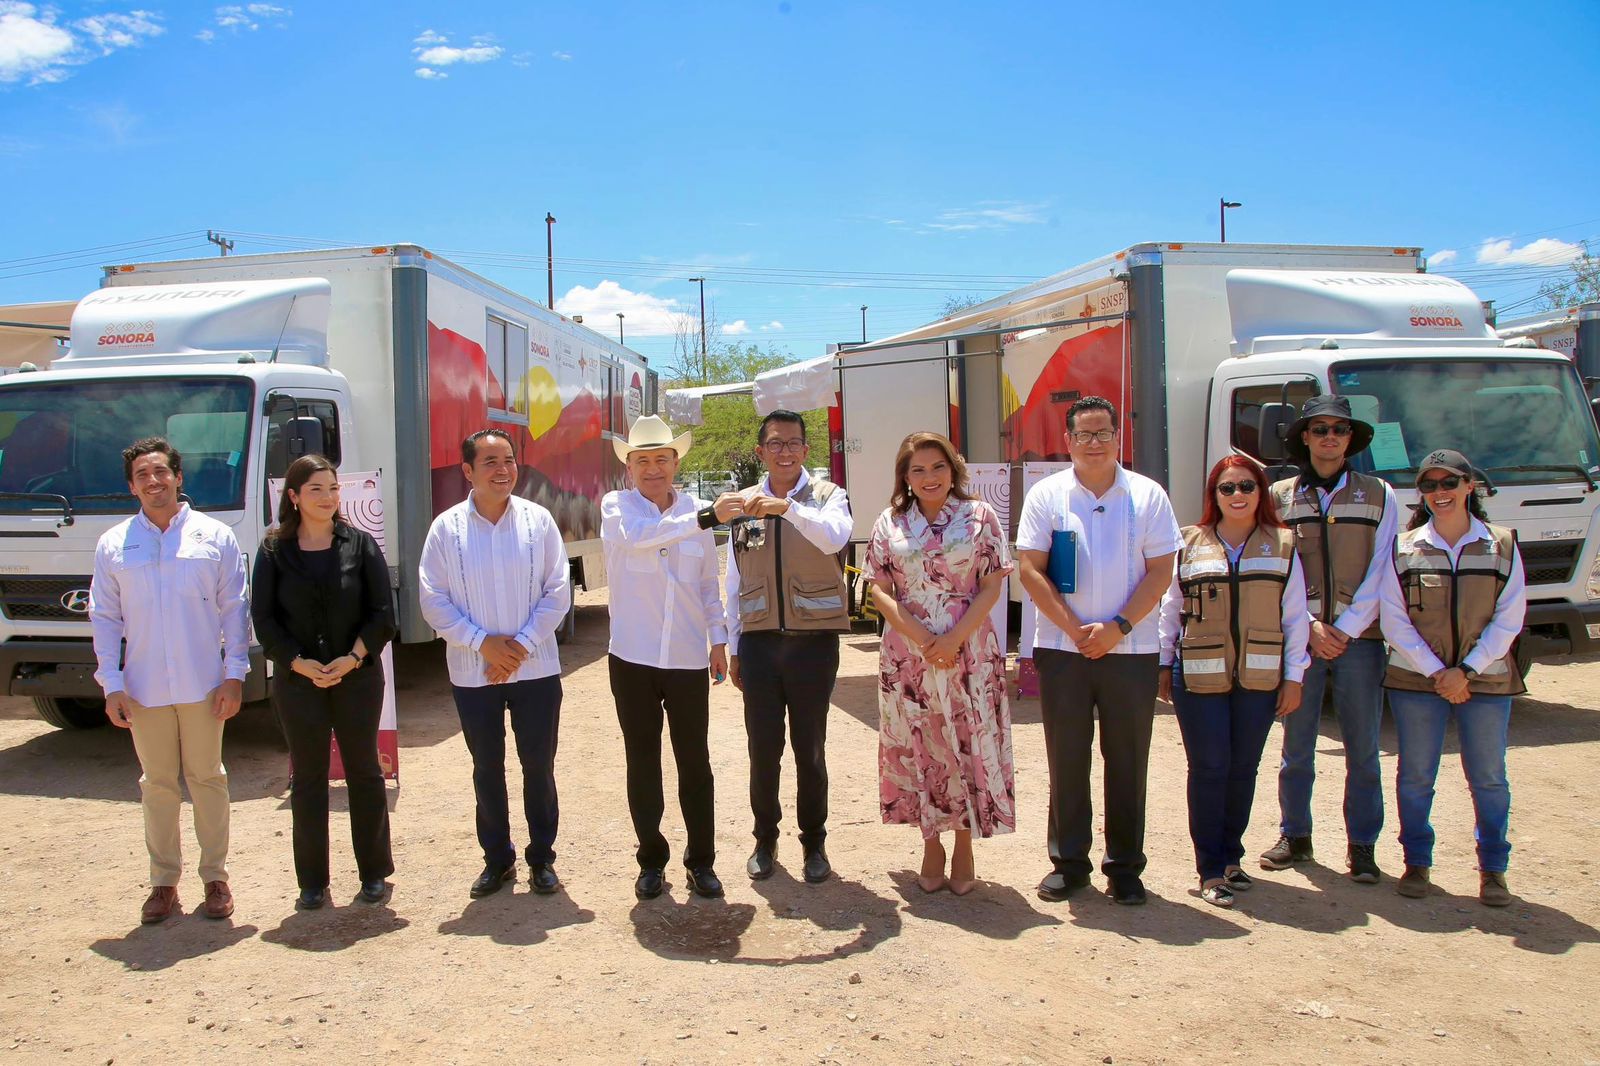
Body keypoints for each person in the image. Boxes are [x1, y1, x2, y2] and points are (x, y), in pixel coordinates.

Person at [1016, 396, 1181, 906]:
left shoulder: (1148, 495)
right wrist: (1075, 630)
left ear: (1118, 437)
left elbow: (1161, 570)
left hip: (1132, 650)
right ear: (1067, 440)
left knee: (1127, 761)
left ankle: (1125, 868)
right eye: (1084, 434)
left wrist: (1118, 627)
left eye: (1103, 432)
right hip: (1062, 649)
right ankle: (1069, 864)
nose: (1094, 442)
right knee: (1067, 759)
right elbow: (1030, 569)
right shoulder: (1047, 495)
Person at [89, 437, 249, 924]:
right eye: (142, 475)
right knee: (157, 784)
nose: (153, 481)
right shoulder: (114, 544)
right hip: (143, 689)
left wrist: (235, 675)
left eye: (161, 471)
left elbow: (235, 610)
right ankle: (163, 884)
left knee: (208, 779)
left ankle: (215, 878)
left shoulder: (214, 536)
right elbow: (104, 618)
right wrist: (111, 683)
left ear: (178, 477)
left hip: (204, 684)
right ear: (131, 486)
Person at [419, 429, 570, 899]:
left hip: (536, 670)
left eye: (508, 460)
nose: (503, 470)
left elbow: (558, 591)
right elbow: (432, 598)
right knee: (486, 768)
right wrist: (482, 644)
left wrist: (519, 646)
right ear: (467, 470)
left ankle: (542, 859)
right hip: (473, 672)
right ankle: (497, 859)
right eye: (490, 462)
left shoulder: (538, 521)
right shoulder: (446, 529)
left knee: (538, 767)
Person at [865, 432, 1014, 895]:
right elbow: (879, 589)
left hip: (969, 649)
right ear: (905, 477)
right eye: (918, 470)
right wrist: (924, 638)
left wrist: (952, 638)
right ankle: (930, 842)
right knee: (920, 744)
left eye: (937, 467)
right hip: (908, 655)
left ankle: (965, 843)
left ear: (953, 470)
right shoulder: (890, 522)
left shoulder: (980, 517)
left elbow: (992, 584)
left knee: (965, 741)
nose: (929, 477)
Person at [1158, 455, 1309, 907]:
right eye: (1227, 488)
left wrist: (1294, 677)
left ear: (1261, 492)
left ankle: (1231, 858)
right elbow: (1170, 608)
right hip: (1198, 676)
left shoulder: (1283, 544)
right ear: (1214, 495)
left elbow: (1295, 617)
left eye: (1246, 486)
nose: (1237, 495)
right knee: (1209, 769)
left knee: (1243, 769)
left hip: (1260, 678)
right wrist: (1163, 665)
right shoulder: (1188, 542)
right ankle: (1209, 868)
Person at [1378, 449, 1525, 907]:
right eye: (1429, 485)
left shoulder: (1501, 544)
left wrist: (1466, 671)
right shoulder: (1403, 548)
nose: (1439, 492)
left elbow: (1510, 617)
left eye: (1449, 483)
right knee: (1416, 776)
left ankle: (1493, 870)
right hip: (1418, 682)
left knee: (1489, 778)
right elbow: (1394, 619)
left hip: (1485, 682)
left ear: (1469, 487)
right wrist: (1439, 672)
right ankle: (1416, 863)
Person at [1261, 395, 1399, 885]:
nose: (1329, 438)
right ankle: (1295, 835)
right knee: (1296, 746)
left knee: (1363, 749)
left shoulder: (1380, 494)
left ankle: (1362, 846)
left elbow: (1385, 565)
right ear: (1305, 437)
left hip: (1359, 640)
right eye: (1319, 429)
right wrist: (1310, 627)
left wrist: (1348, 627)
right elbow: (1274, 567)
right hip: (1302, 639)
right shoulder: (1278, 496)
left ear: (1350, 439)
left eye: (1339, 430)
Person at [251, 455, 397, 910]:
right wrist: (298, 664)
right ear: (294, 496)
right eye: (316, 489)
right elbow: (264, 619)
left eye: (333, 488)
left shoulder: (360, 544)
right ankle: (312, 882)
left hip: (357, 679)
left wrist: (352, 659)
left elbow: (382, 615)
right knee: (309, 778)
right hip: (299, 684)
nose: (328, 497)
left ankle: (374, 872)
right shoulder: (273, 550)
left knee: (364, 772)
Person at [721, 410, 853, 885]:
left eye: (793, 443)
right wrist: (734, 645)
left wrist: (788, 509)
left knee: (809, 749)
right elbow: (735, 578)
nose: (785, 452)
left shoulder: (829, 496)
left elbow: (834, 537)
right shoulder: (742, 504)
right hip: (759, 646)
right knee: (763, 750)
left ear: (805, 450)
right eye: (775, 444)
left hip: (812, 645)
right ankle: (764, 839)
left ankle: (814, 842)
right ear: (761, 452)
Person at [602, 415, 729, 900]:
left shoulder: (696, 511)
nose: (653, 468)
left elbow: (707, 584)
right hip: (632, 657)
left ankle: (702, 861)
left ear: (676, 463)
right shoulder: (616, 507)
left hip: (687, 656)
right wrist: (706, 518)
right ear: (629, 467)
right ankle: (651, 860)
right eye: (643, 460)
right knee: (643, 761)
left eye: (661, 459)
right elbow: (641, 537)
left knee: (695, 761)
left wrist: (718, 639)